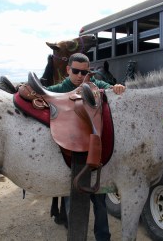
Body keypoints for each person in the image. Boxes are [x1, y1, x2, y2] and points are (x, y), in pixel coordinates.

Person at [46, 52, 126, 241]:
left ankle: (103, 237)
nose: (81, 76)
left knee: (100, 203)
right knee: (71, 201)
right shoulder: (58, 89)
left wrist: (117, 87)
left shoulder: (94, 86)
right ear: (68, 70)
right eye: (76, 71)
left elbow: (109, 87)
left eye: (85, 72)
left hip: (94, 156)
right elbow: (46, 91)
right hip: (69, 158)